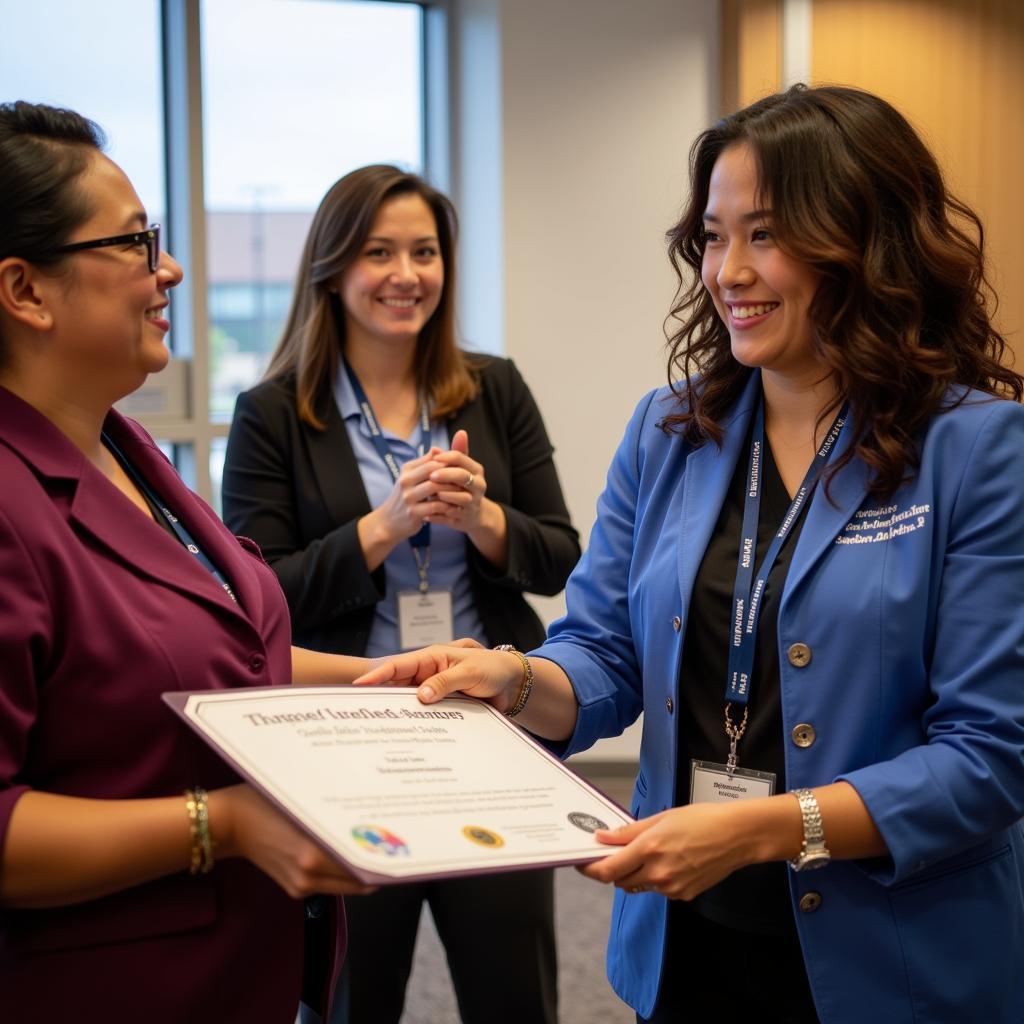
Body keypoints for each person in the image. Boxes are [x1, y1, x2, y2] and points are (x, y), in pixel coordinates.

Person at [357, 85, 1024, 1023]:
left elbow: (992, 754)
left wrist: (765, 829)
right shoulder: (672, 431)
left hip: (898, 961)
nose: (728, 272)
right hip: (687, 941)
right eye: (712, 236)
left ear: (866, 241)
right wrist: (507, 678)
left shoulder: (979, 449)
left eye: (766, 234)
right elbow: (605, 651)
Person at [0, 101, 389, 1023]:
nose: (166, 268)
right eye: (135, 243)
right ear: (25, 290)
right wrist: (225, 825)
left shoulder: (125, 448)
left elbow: (213, 660)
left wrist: (387, 682)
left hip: (236, 973)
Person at [221, 164, 579, 1024]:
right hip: (350, 733)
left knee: (513, 988)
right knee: (355, 991)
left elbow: (560, 557)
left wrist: (485, 518)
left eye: (424, 252)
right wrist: (382, 527)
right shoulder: (271, 413)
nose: (406, 275)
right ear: (333, 268)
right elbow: (256, 599)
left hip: (490, 725)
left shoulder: (495, 387)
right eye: (379, 252)